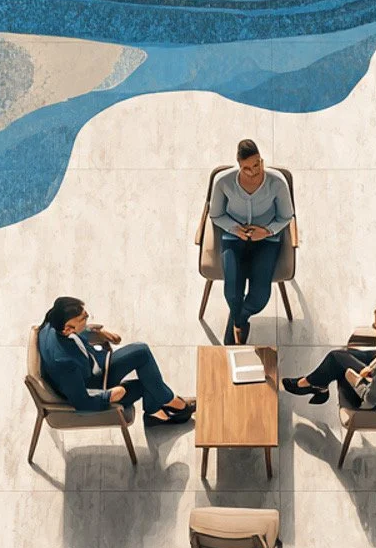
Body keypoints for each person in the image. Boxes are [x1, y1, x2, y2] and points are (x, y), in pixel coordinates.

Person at [37, 296, 195, 426]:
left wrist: (97, 332)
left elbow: (74, 333)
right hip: (95, 386)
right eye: (83, 318)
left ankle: (161, 408)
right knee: (146, 383)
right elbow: (82, 402)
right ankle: (170, 406)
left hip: (94, 364)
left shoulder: (52, 321)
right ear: (68, 328)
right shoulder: (63, 363)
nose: (87, 318)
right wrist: (110, 395)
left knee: (142, 351)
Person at [209, 139, 294, 344]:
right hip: (234, 237)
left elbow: (286, 216)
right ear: (239, 164)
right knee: (232, 291)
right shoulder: (223, 182)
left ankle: (239, 320)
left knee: (259, 296)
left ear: (261, 160)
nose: (254, 171)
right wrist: (234, 229)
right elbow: (216, 215)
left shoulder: (277, 182)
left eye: (257, 164)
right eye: (247, 168)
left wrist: (266, 232)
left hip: (266, 240)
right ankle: (238, 324)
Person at [282, 303, 376, 409]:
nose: (373, 326)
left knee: (335, 359)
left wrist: (353, 378)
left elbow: (369, 401)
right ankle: (317, 385)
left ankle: (307, 384)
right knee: (339, 357)